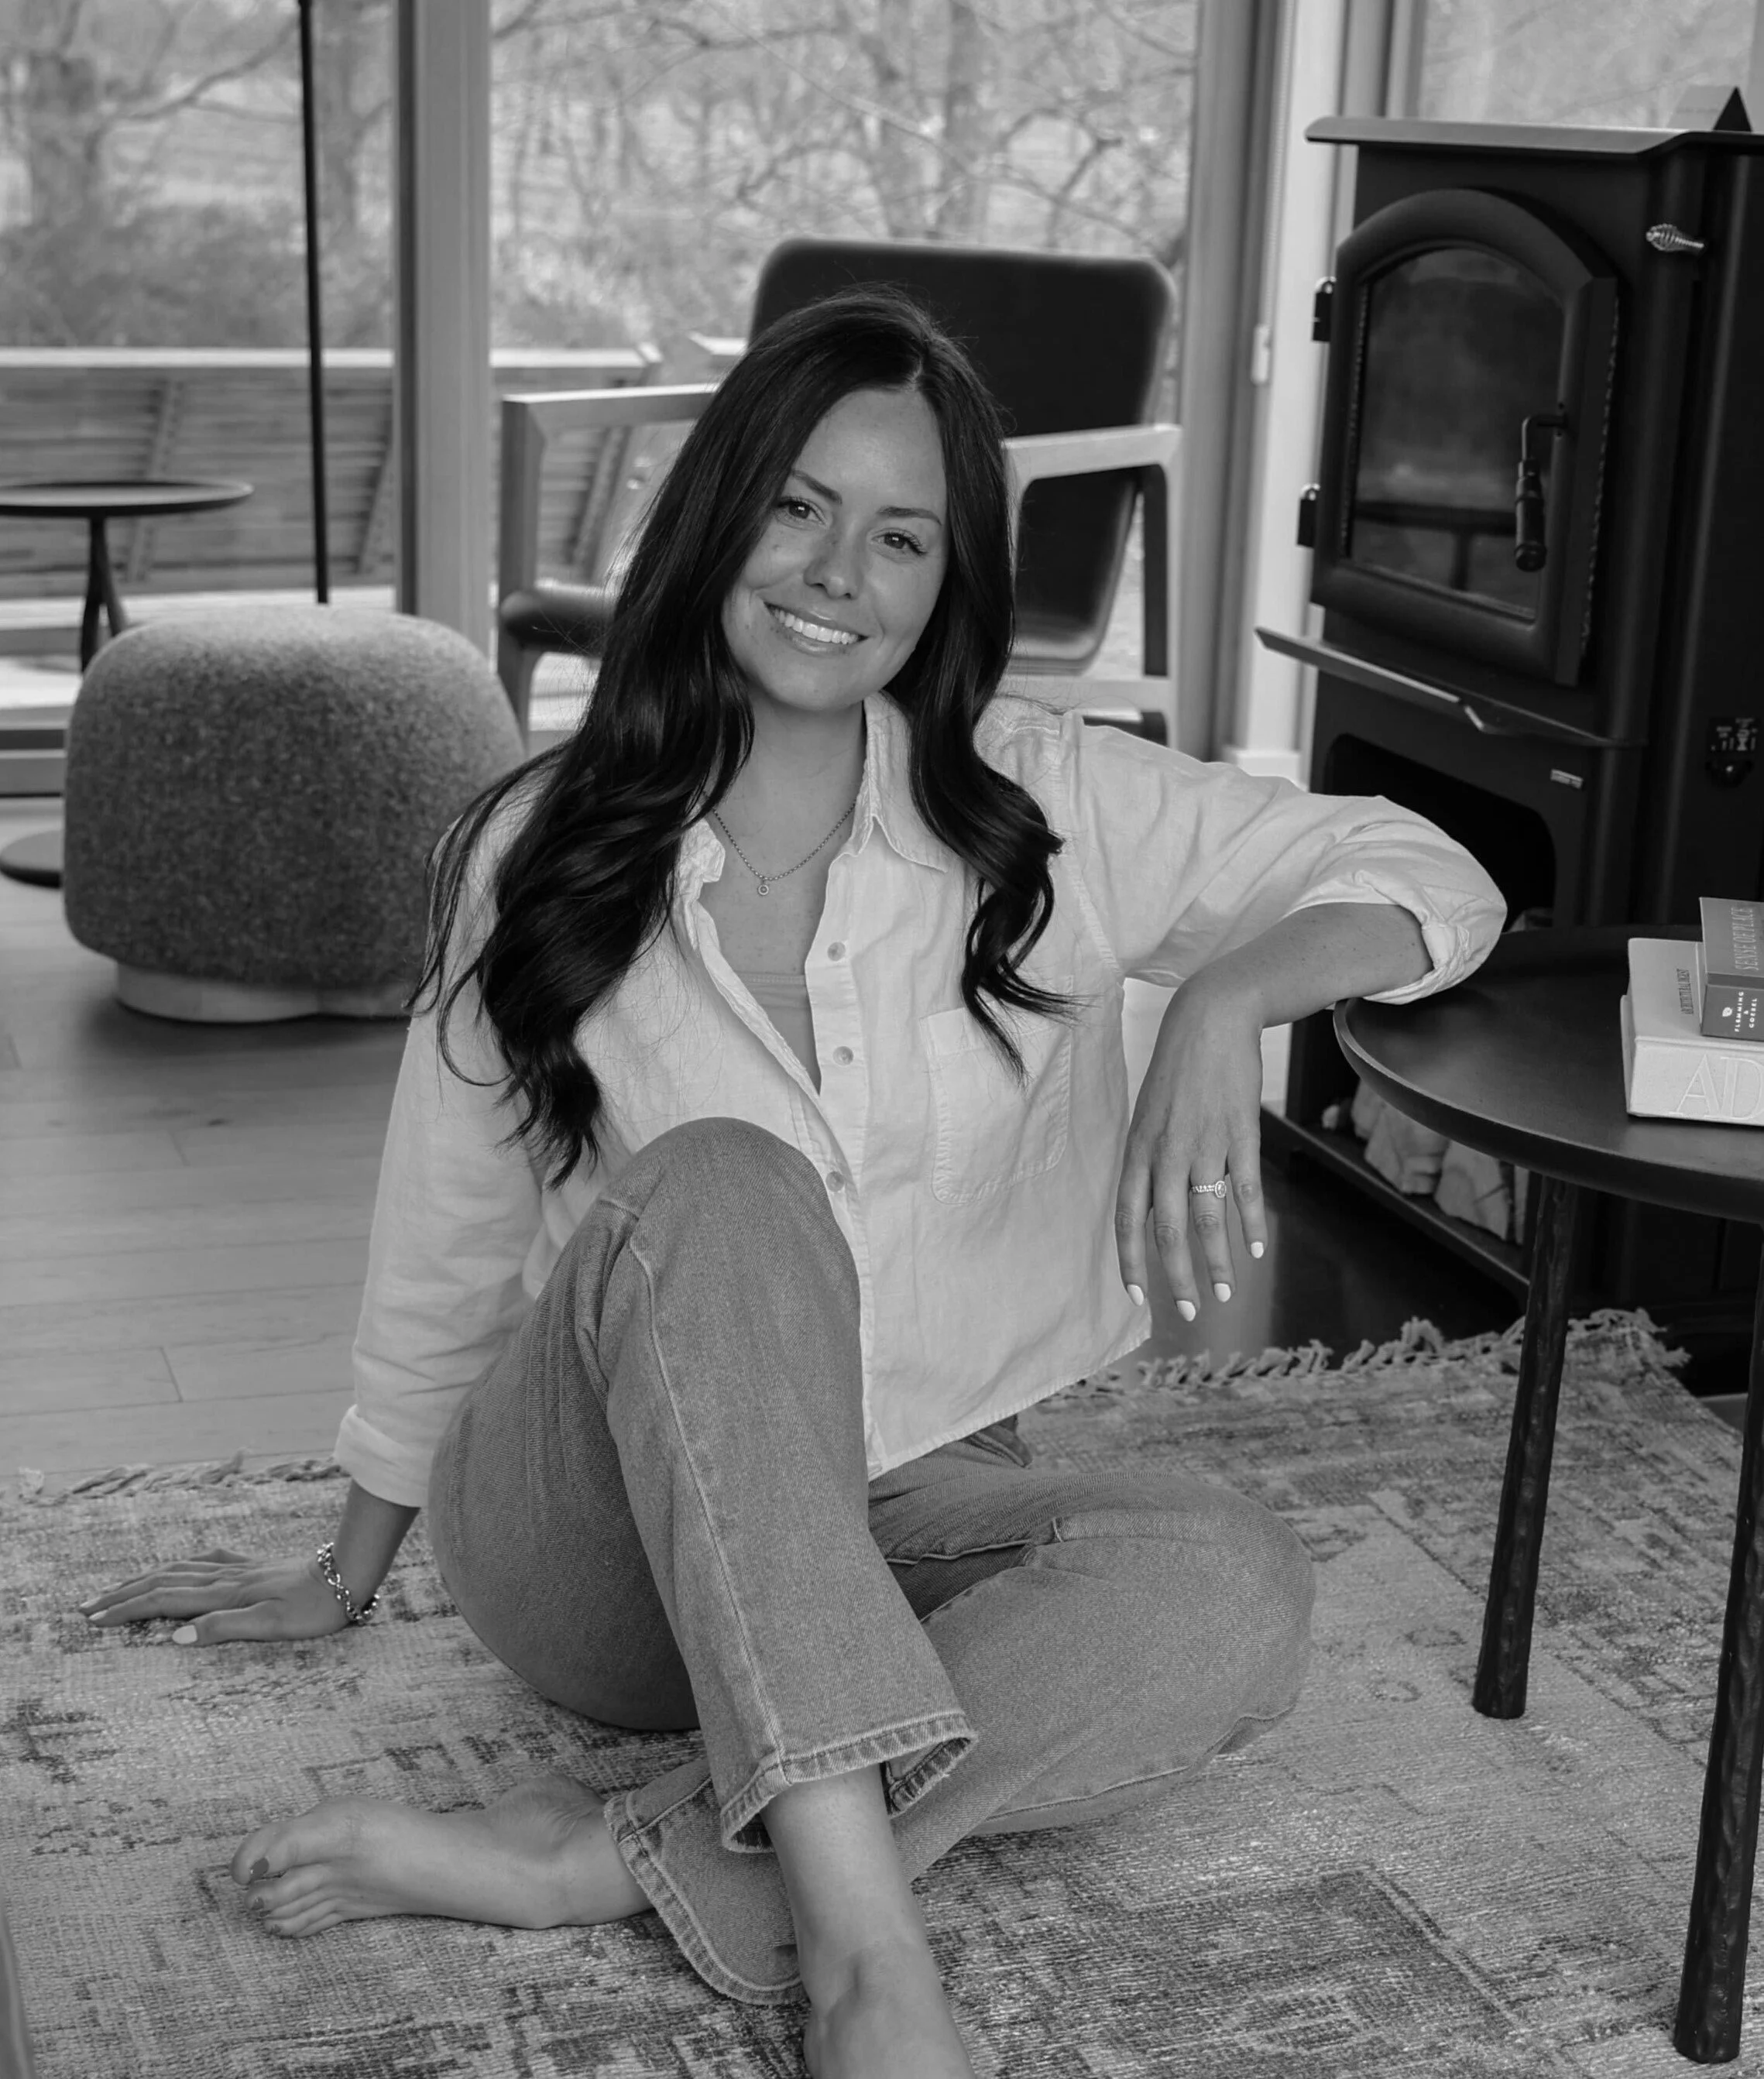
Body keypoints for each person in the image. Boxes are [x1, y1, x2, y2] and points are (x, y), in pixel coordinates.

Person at [80, 287, 1505, 2079]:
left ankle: (617, 1851)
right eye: (800, 507)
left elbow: (1431, 871)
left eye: (900, 534)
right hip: (604, 1540)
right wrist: (345, 1557)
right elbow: (443, 1213)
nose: (839, 571)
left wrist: (1226, 993)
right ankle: (862, 1970)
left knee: (1226, 1584)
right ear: (719, 515)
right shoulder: (540, 840)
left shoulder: (1048, 806)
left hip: (909, 1511)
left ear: (947, 580)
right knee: (726, 1183)